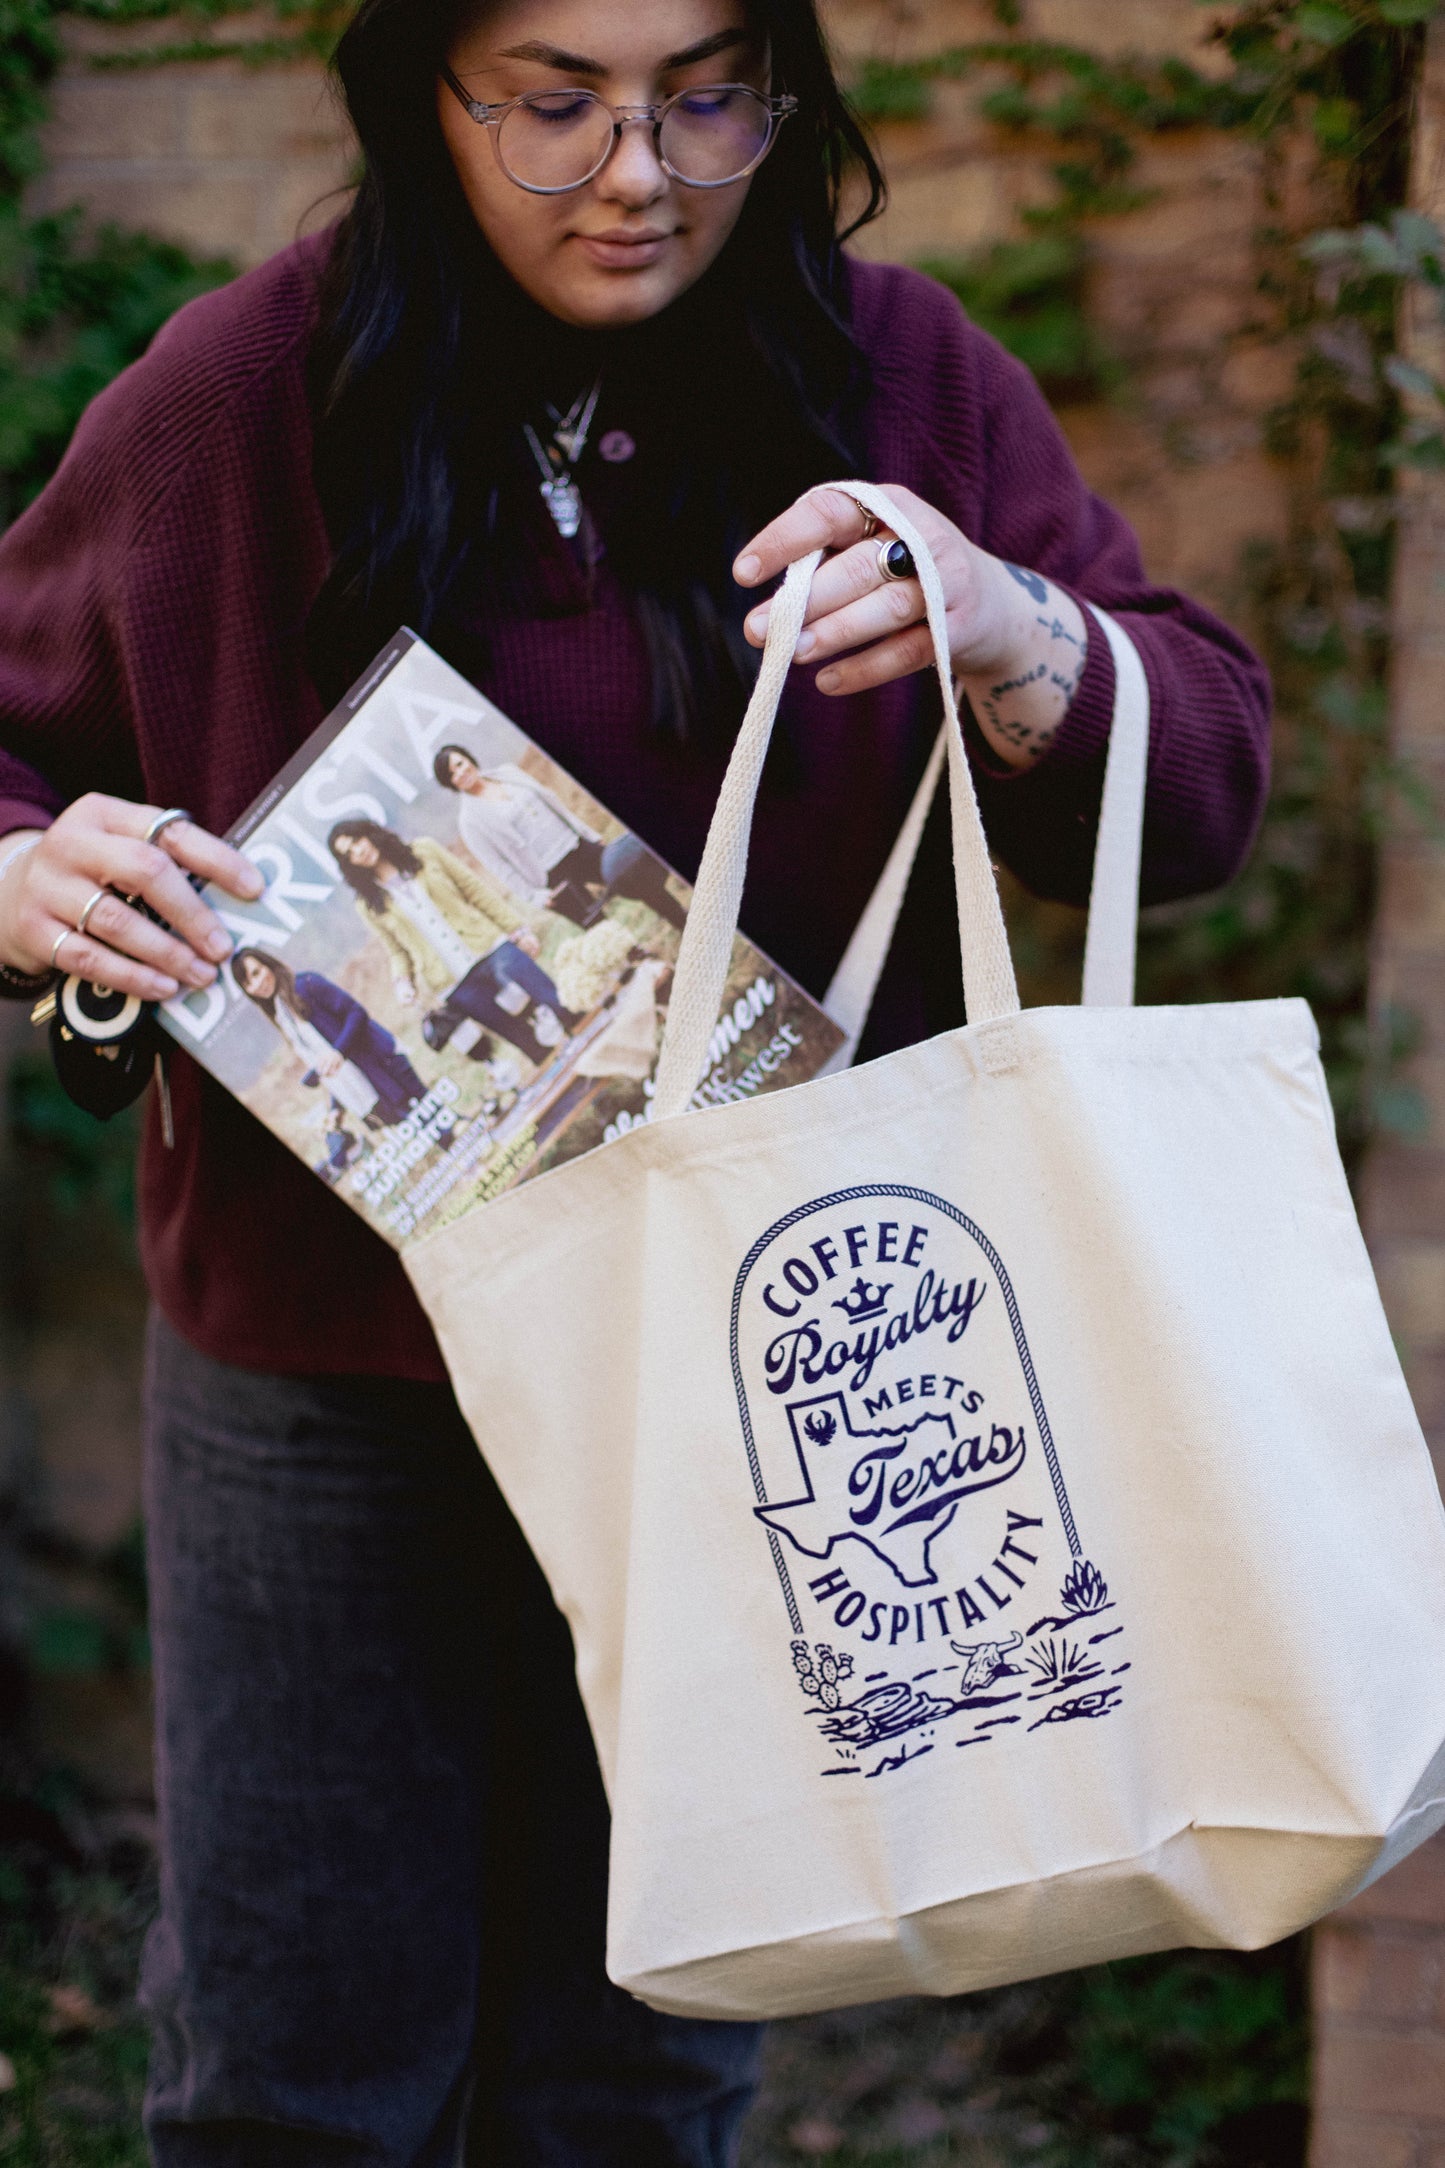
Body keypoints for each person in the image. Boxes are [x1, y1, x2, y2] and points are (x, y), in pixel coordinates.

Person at [0, 0, 1271, 2159]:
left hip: (749, 1381)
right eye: (553, 100)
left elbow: (1205, 774)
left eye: (706, 92)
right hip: (328, 1381)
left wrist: (1000, 618)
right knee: (297, 2084)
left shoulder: (896, 381)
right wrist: (30, 872)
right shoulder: (240, 395)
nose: (638, 167)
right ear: (423, 91)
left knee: (646, 2068)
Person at [327, 817, 580, 1063]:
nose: (359, 851)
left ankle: (594, 1042)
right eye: (349, 853)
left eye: (357, 841)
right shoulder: (368, 905)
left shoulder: (424, 850)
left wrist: (517, 929)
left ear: (369, 833)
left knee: (554, 1001)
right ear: (348, 864)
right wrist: (403, 982)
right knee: (524, 1039)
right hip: (452, 981)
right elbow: (396, 951)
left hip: (490, 947)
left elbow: (474, 890)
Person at [435, 742, 689, 929]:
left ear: (468, 758)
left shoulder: (508, 773)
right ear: (451, 784)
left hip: (575, 845)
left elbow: (553, 803)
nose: (461, 772)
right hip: (550, 875)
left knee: (633, 877)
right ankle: (648, 973)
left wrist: (587, 833)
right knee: (598, 926)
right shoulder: (469, 821)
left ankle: (683, 920)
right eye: (452, 774)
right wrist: (532, 895)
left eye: (459, 763)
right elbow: (498, 866)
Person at [232, 945, 434, 1129]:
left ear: (268, 965)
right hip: (369, 1091)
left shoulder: (306, 985)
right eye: (248, 983)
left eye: (256, 972)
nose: (257, 984)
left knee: (439, 1122)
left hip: (385, 1067)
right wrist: (335, 1108)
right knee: (425, 1133)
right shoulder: (283, 1017)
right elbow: (327, 1067)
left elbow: (356, 1013)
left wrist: (339, 1052)